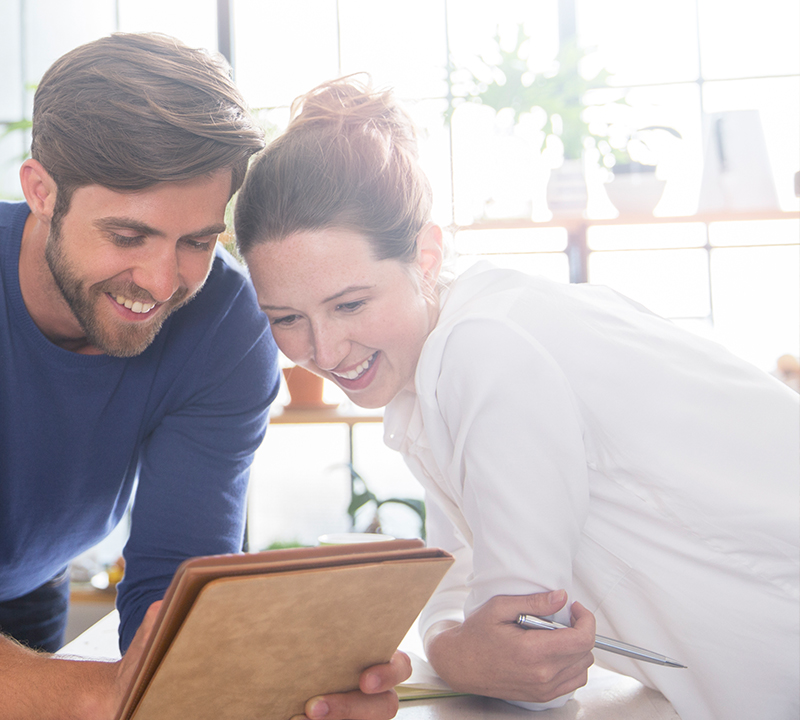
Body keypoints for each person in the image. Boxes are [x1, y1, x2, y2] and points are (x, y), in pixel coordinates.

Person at [0, 36, 412, 720]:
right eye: (128, 236)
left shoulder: (226, 330)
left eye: (196, 240)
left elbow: (172, 583)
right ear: (42, 192)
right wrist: (111, 696)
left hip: (26, 573)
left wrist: (231, 682)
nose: (162, 284)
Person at [233, 76, 800, 720]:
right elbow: (463, 586)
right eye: (286, 318)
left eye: (350, 304)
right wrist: (458, 644)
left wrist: (455, 651)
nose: (325, 350)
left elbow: (524, 654)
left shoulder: (484, 349)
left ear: (425, 254)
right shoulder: (446, 356)